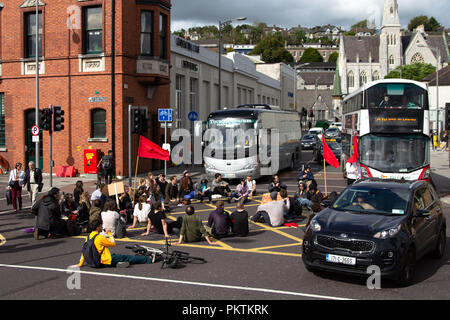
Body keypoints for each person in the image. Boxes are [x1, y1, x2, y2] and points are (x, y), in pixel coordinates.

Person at [75, 219, 152, 268]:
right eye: (101, 225)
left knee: (116, 256)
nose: (102, 227)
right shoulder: (99, 237)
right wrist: (109, 234)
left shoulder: (88, 237)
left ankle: (117, 263)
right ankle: (148, 259)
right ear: (98, 227)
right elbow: (113, 244)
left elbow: (84, 251)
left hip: (96, 261)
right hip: (105, 260)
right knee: (127, 257)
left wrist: (80, 263)